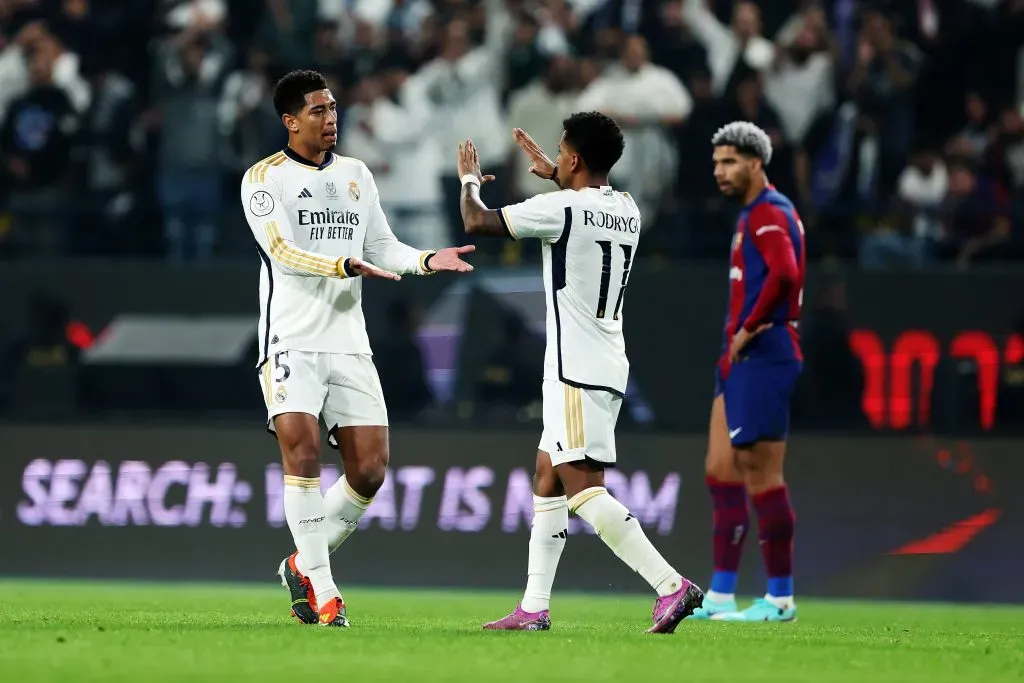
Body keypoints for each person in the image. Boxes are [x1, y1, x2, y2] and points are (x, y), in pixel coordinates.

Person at [240, 69, 475, 627]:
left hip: (349, 342)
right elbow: (281, 250)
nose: (330, 118)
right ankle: (325, 593)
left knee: (369, 471)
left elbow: (381, 246)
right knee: (302, 456)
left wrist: (424, 260)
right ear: (290, 121)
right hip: (291, 338)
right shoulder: (263, 178)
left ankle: (302, 563)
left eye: (333, 108)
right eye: (317, 111)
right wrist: (342, 264)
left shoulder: (356, 174)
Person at [456, 113, 704, 634]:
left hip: (575, 367)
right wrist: (560, 174)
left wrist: (469, 180)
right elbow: (586, 204)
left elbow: (477, 222)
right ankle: (533, 607)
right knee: (548, 474)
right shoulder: (628, 208)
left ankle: (670, 585)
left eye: (562, 151)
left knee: (582, 490)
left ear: (572, 158)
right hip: (607, 361)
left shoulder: (561, 208)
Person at [690, 121, 805, 622]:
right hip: (737, 357)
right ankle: (719, 595)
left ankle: (780, 598)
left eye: (730, 161)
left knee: (762, 474)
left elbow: (786, 275)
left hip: (764, 350)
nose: (720, 171)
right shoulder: (750, 216)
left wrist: (750, 327)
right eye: (716, 163)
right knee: (720, 469)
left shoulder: (768, 213)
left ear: (756, 163)